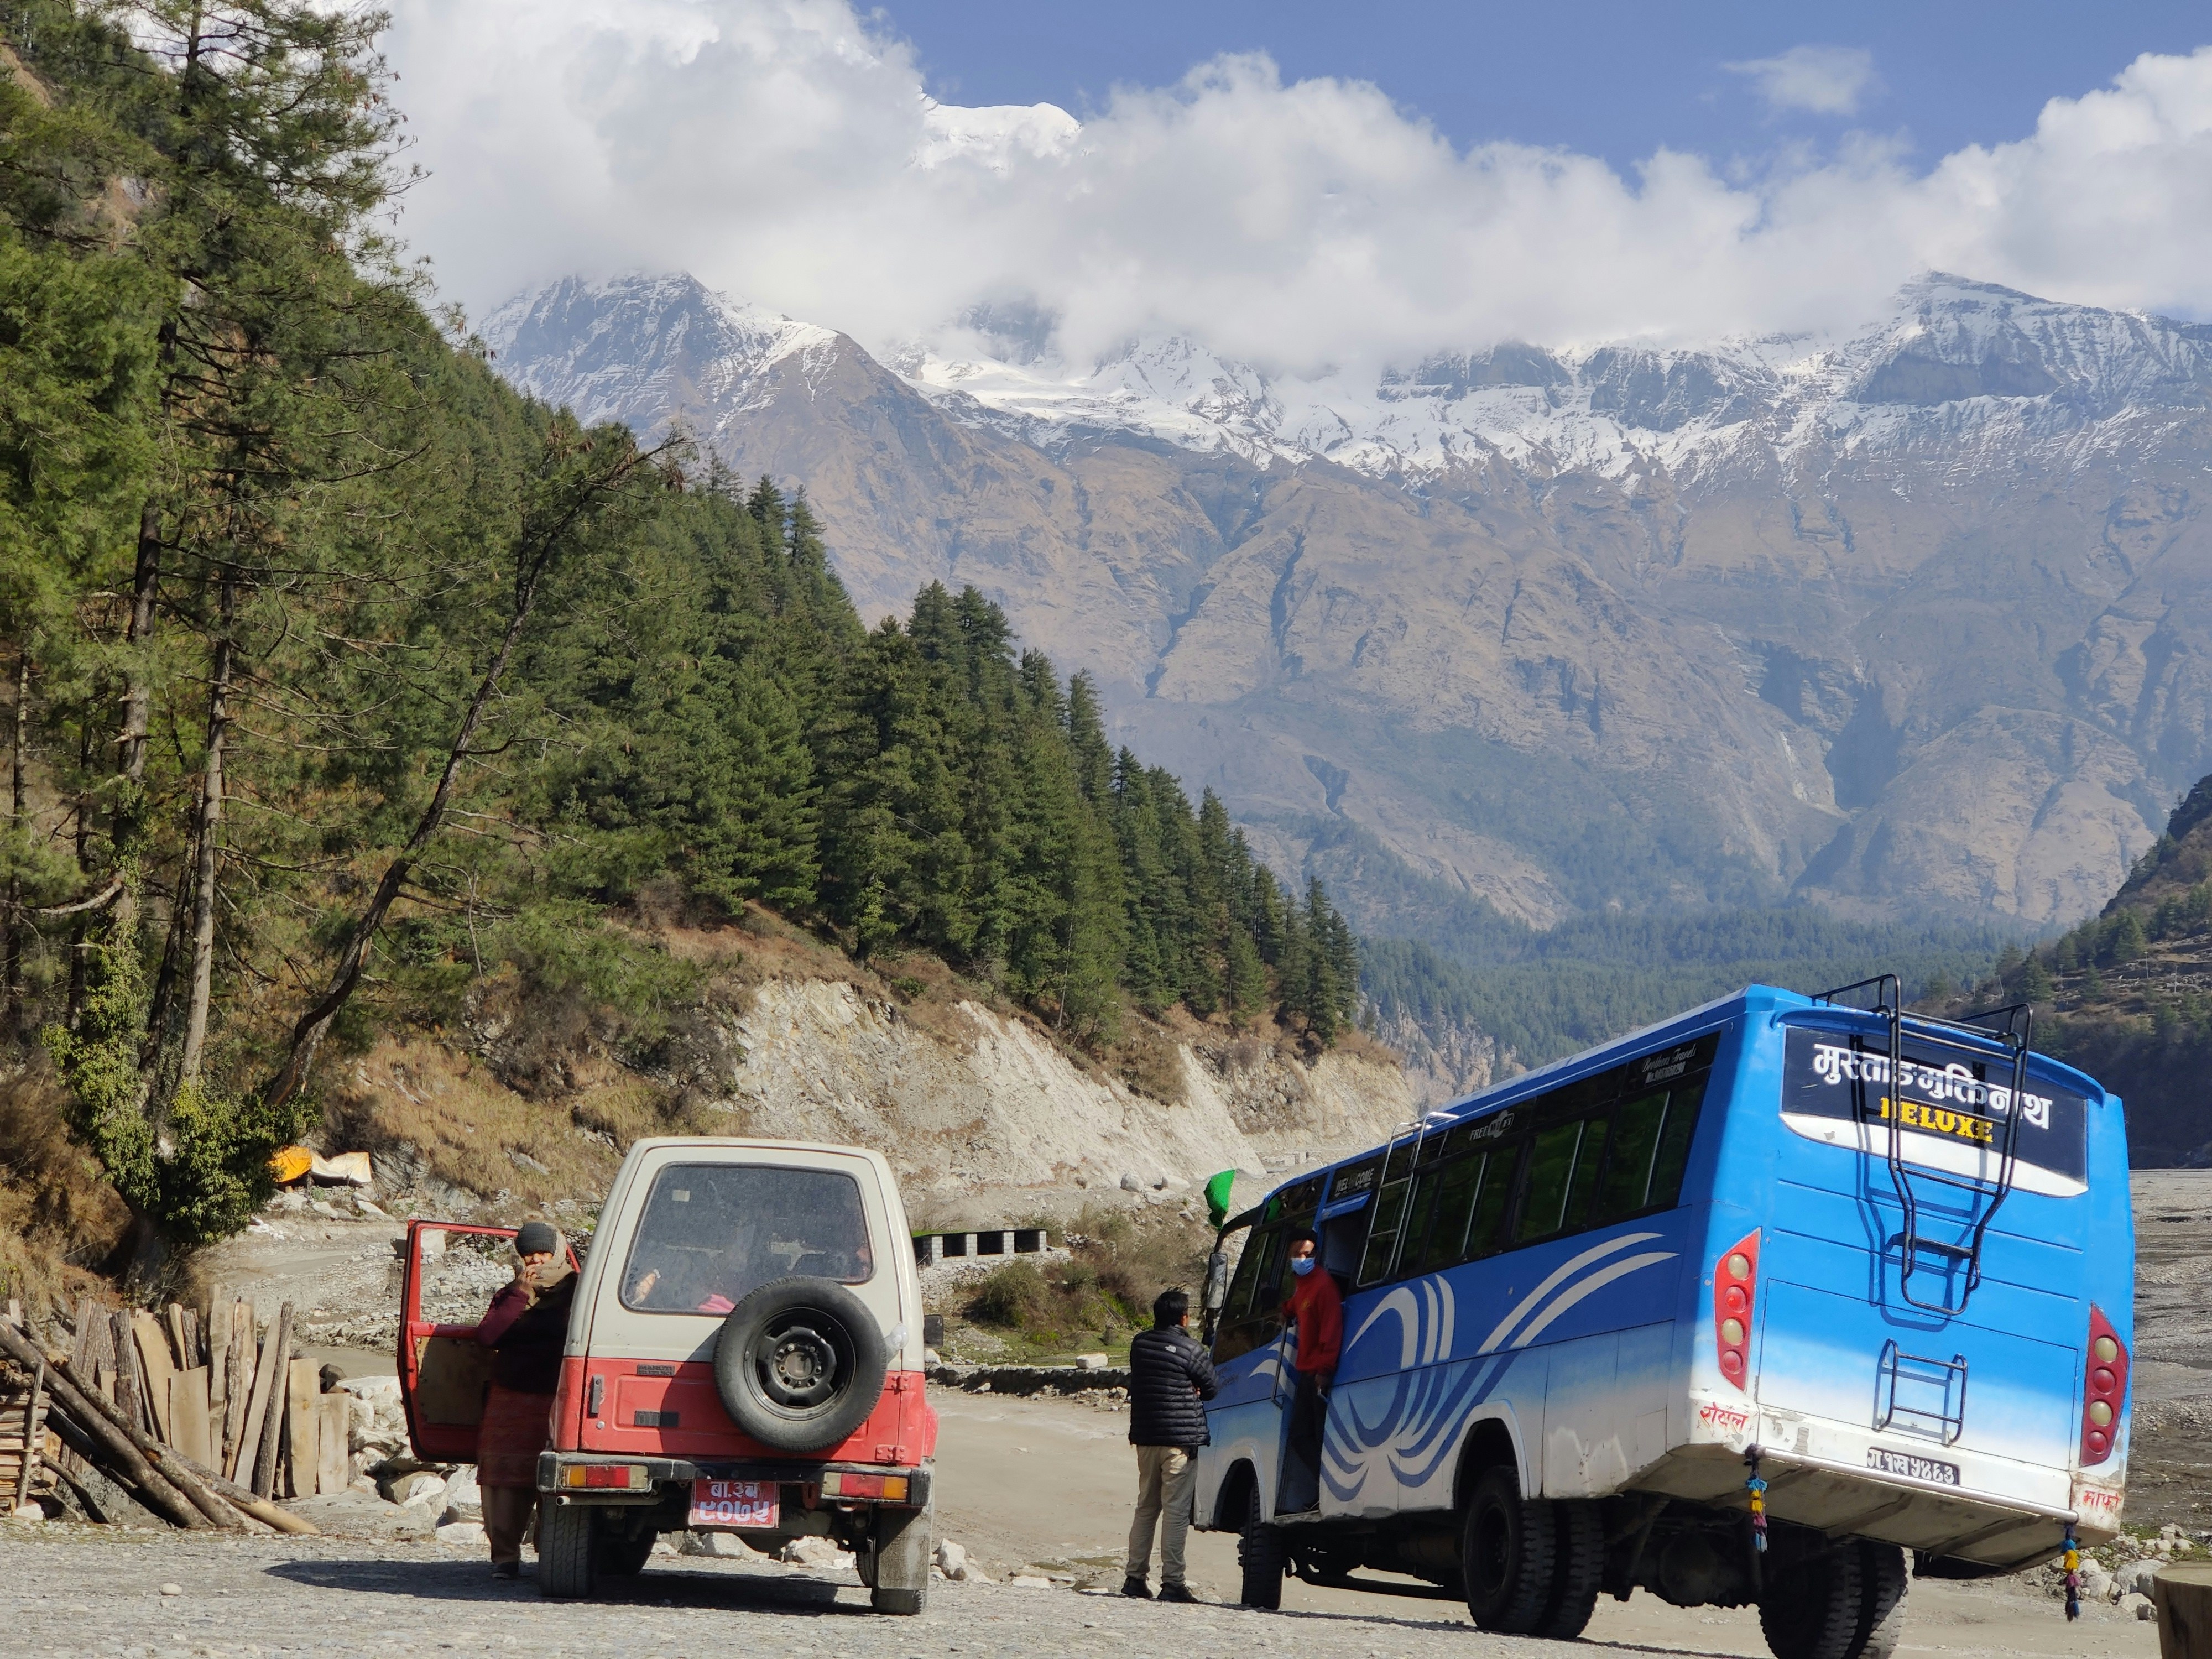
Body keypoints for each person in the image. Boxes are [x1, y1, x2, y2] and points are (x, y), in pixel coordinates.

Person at [474, 1220, 576, 1578]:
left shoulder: (578, 1290)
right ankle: (505, 1557)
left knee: (558, 1475)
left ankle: (553, 1552)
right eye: (528, 1254)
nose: (536, 1260)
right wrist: (520, 1293)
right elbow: (488, 1336)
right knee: (503, 1479)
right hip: (511, 1397)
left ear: (557, 1252)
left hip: (557, 1397)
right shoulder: (510, 1293)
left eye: (543, 1253)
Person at [1123, 1287, 1219, 1603]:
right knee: (1176, 1512)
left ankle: (1135, 1578)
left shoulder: (1139, 1344)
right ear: (1184, 1318)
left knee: (1146, 1508)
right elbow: (1212, 1389)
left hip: (1146, 1437)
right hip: (1180, 1441)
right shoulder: (1191, 1349)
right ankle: (1173, 1583)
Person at [1276, 1228, 1342, 1515]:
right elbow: (1295, 1306)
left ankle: (1327, 1492)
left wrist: (1324, 1371)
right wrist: (1285, 1310)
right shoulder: (1303, 1286)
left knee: (1316, 1436)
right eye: (1298, 1254)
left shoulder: (1323, 1286)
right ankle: (1323, 1490)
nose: (1303, 1259)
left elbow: (1331, 1330)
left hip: (1317, 1374)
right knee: (1301, 1436)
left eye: (1308, 1254)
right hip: (1306, 1374)